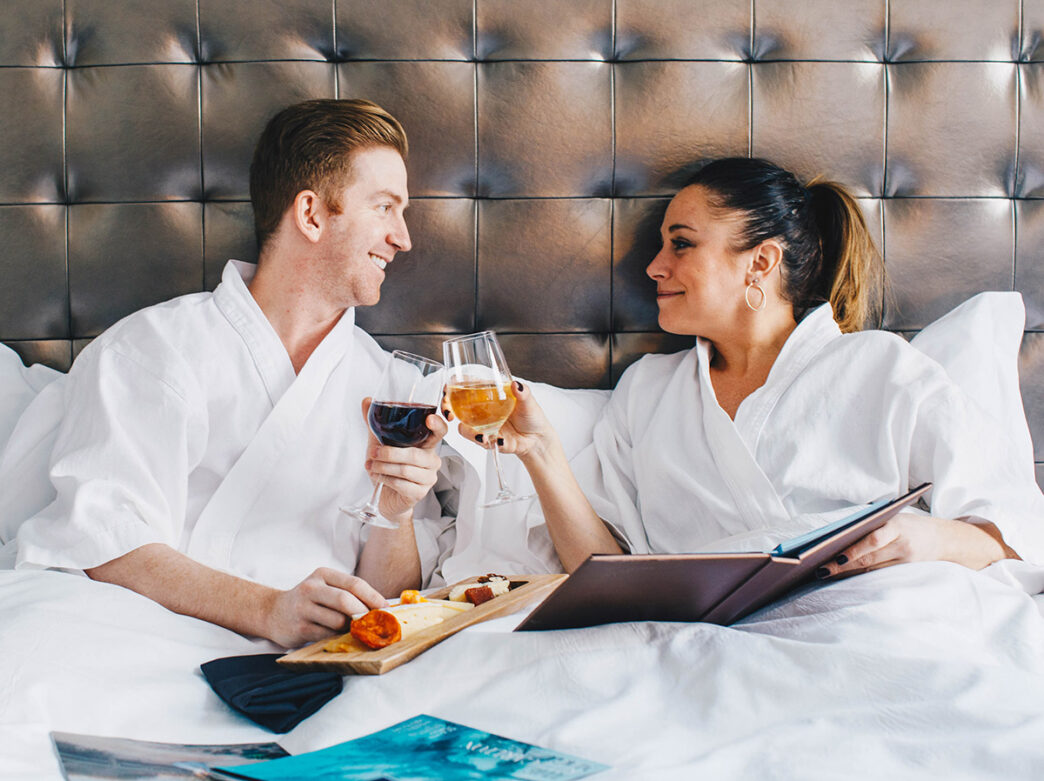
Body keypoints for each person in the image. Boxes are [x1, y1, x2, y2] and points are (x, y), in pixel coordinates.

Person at [456, 157, 1044, 576]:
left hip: (870, 618)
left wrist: (930, 536)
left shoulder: (881, 369)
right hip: (707, 643)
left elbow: (1017, 534)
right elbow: (604, 571)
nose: (655, 267)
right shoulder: (649, 392)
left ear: (760, 262)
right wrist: (540, 452)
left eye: (681, 244)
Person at [6, 99, 450, 647]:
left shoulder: (387, 386)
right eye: (385, 207)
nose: (403, 238)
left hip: (326, 662)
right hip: (149, 636)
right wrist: (268, 611)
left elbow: (390, 602)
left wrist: (394, 513)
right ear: (310, 214)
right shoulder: (152, 348)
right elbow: (103, 542)